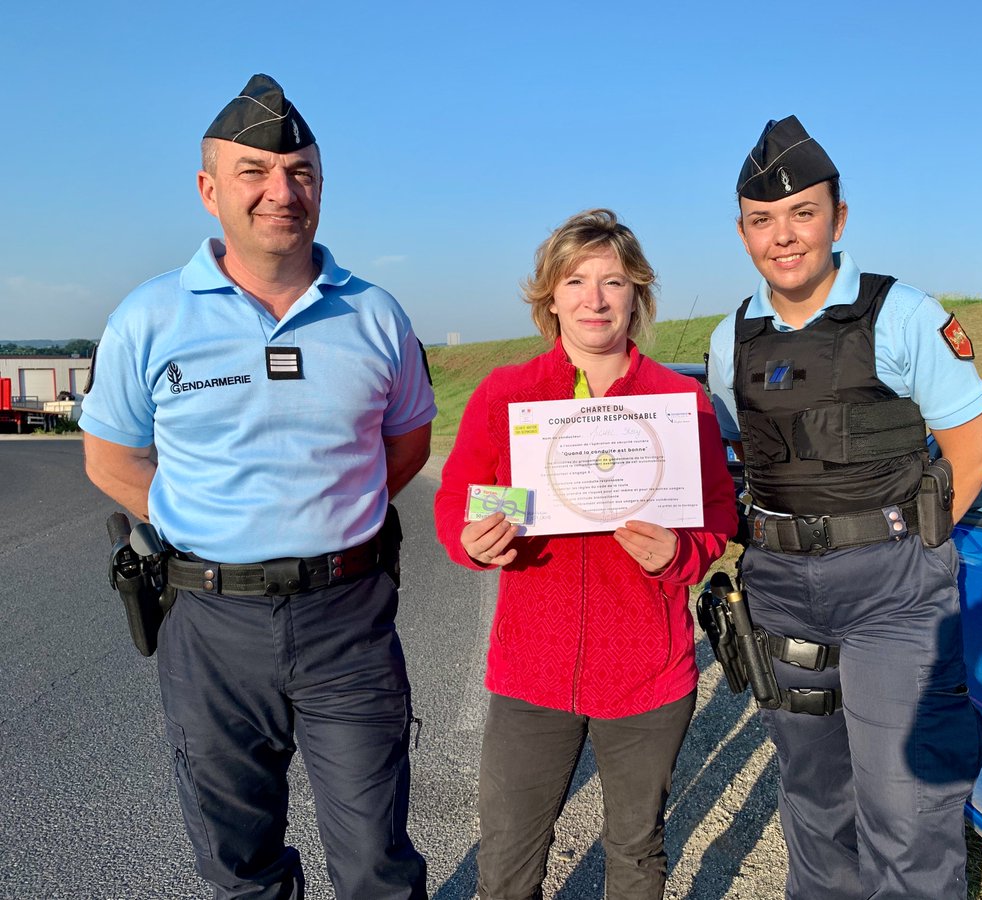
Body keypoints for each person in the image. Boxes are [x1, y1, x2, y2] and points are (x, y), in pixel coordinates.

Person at [79, 74, 434, 900]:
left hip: (346, 618)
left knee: (377, 860)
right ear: (209, 190)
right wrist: (211, 523)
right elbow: (111, 459)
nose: (283, 191)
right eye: (255, 172)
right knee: (239, 862)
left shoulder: (376, 316)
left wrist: (326, 513)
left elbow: (407, 445)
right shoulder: (149, 317)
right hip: (210, 623)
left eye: (302, 172)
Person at [706, 116, 982, 899]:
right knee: (813, 805)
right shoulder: (728, 339)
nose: (784, 236)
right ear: (743, 234)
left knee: (908, 814)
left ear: (838, 218)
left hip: (892, 596)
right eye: (763, 220)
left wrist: (913, 549)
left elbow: (972, 453)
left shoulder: (904, 315)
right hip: (780, 596)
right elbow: (741, 459)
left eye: (803, 213)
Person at [434, 209, 737, 900]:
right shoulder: (506, 395)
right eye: (576, 280)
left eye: (613, 281)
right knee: (508, 864)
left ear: (638, 294)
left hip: (646, 674)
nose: (595, 298)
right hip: (531, 674)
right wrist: (474, 539)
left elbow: (719, 514)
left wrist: (682, 554)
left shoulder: (680, 400)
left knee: (634, 854)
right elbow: (459, 503)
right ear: (550, 296)